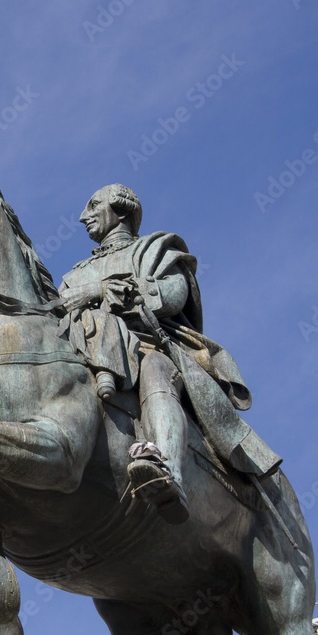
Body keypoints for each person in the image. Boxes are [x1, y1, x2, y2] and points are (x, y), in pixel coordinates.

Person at [59, 183, 269, 524]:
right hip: (84, 352)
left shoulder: (154, 250)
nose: (84, 216)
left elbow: (172, 295)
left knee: (156, 369)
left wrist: (101, 291)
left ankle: (167, 470)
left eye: (94, 205)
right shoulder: (72, 276)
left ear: (121, 209)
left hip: (146, 346)